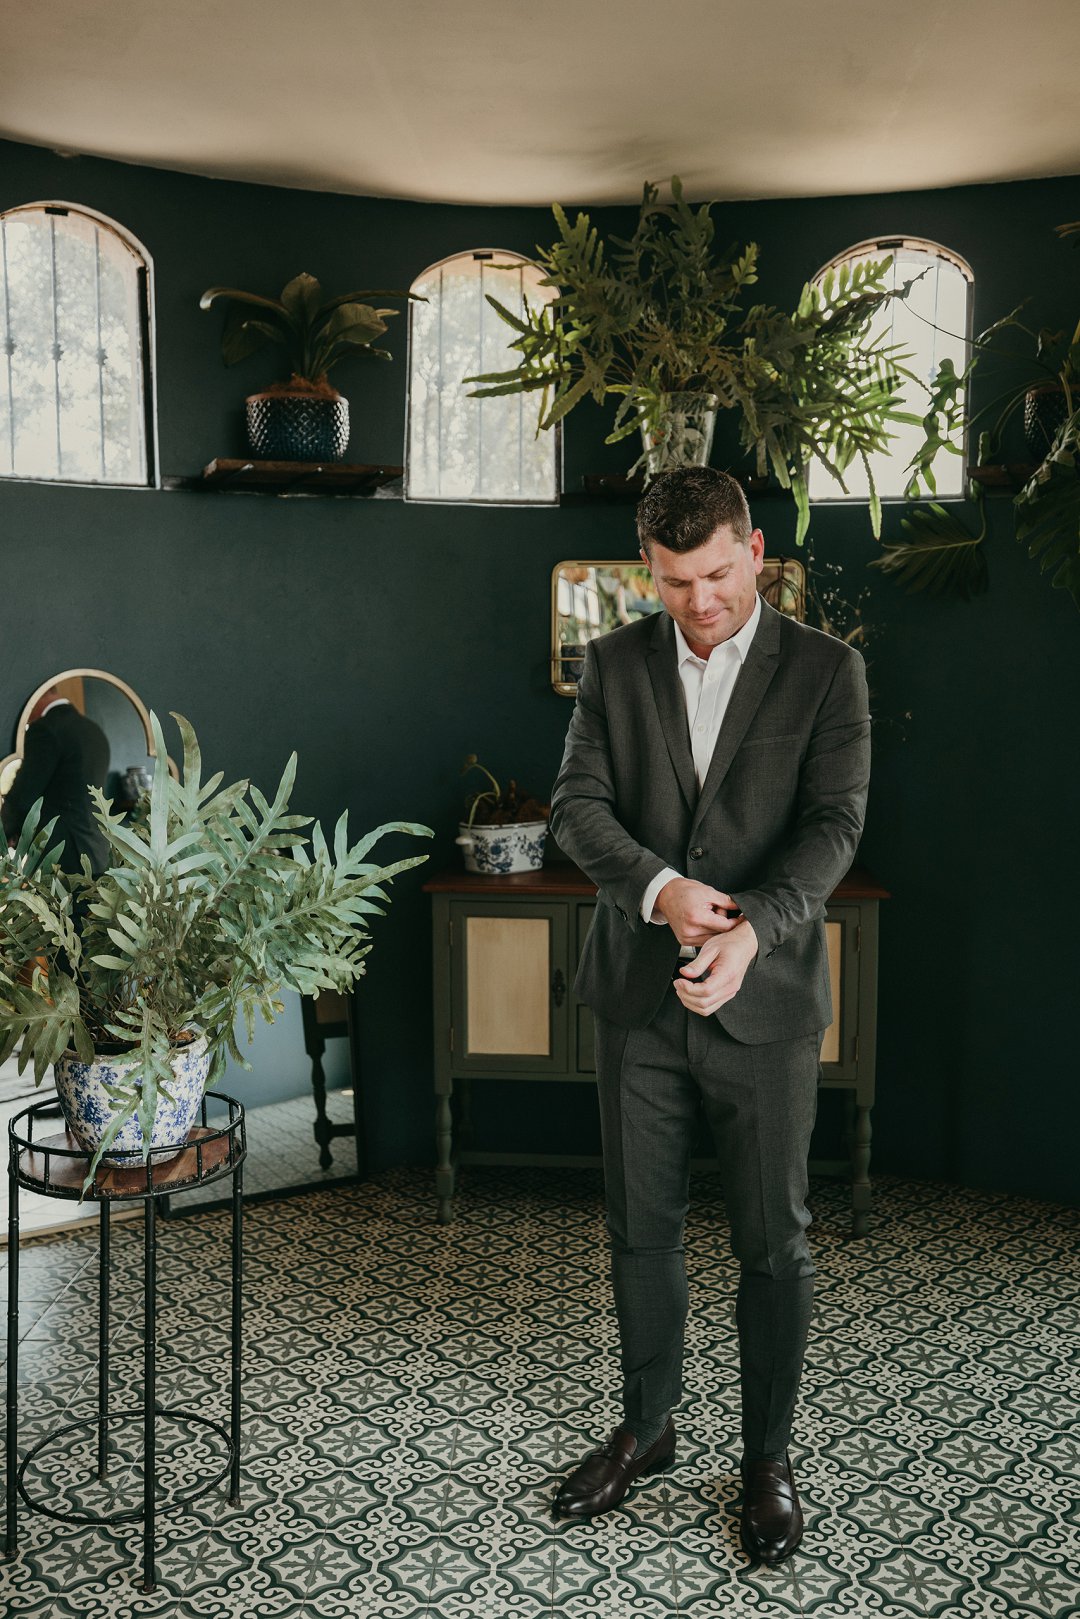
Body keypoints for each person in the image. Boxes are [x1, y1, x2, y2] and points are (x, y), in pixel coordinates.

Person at [548, 467, 871, 1565]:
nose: (702, 601)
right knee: (640, 1226)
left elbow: (834, 826)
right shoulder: (612, 665)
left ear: (756, 549)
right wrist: (660, 888)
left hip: (766, 1004)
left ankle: (766, 1457)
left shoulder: (827, 671)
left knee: (773, 1241)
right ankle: (648, 1428)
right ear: (649, 568)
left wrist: (751, 931)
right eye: (678, 580)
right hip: (636, 1002)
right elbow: (577, 807)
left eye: (721, 573)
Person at [1, 688, 110, 875]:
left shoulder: (46, 729)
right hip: (97, 851)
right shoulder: (93, 730)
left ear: (39, 695)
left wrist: (5, 834)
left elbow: (24, 795)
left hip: (61, 854)